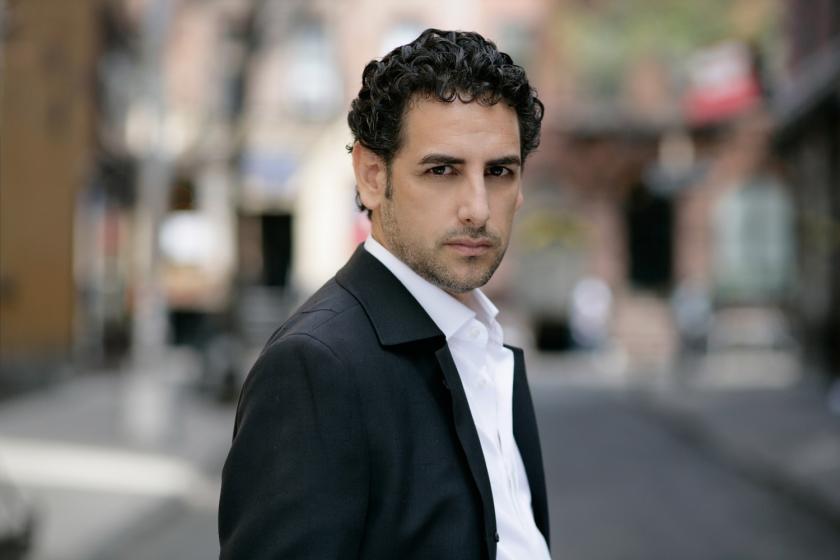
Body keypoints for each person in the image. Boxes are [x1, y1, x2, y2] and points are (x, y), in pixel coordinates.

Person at [218, 28, 549, 560]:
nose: (478, 208)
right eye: (442, 170)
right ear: (372, 176)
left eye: (499, 172)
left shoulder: (488, 350)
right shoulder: (316, 367)